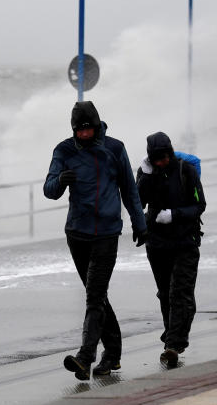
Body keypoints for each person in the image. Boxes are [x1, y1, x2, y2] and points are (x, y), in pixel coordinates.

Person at [44, 101, 148, 380]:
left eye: (88, 130)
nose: (84, 135)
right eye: (79, 131)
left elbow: (129, 189)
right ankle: (112, 354)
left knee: (94, 296)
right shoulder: (64, 150)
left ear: (97, 125)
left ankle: (85, 357)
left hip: (107, 232)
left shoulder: (115, 148)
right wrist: (61, 181)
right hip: (77, 233)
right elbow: (49, 190)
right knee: (97, 296)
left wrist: (140, 224)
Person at [135, 131, 206, 368]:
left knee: (180, 292)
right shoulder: (147, 172)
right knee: (165, 293)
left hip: (185, 241)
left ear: (170, 153)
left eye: (165, 157)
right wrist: (145, 175)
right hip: (157, 244)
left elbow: (199, 205)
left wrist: (175, 214)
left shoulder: (187, 170)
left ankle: (174, 344)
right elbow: (138, 202)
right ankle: (172, 336)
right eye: (156, 159)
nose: (161, 162)